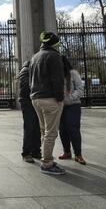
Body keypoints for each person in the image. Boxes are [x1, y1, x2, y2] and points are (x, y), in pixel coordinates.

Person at [29, 31, 65, 175]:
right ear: (55, 44)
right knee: (51, 133)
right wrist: (60, 97)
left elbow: (31, 78)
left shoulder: (34, 56)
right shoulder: (55, 56)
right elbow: (58, 79)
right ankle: (47, 164)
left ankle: (46, 158)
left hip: (36, 98)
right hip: (50, 98)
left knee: (44, 131)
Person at [59, 56, 86, 165]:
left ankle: (78, 154)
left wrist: (71, 98)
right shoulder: (57, 75)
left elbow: (80, 89)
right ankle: (67, 152)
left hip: (73, 105)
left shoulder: (73, 73)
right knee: (62, 130)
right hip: (60, 106)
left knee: (73, 128)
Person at [18, 61, 41, 163]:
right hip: (28, 102)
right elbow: (25, 87)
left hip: (35, 101)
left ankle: (36, 150)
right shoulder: (25, 70)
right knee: (30, 127)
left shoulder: (31, 70)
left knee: (37, 127)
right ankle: (26, 152)